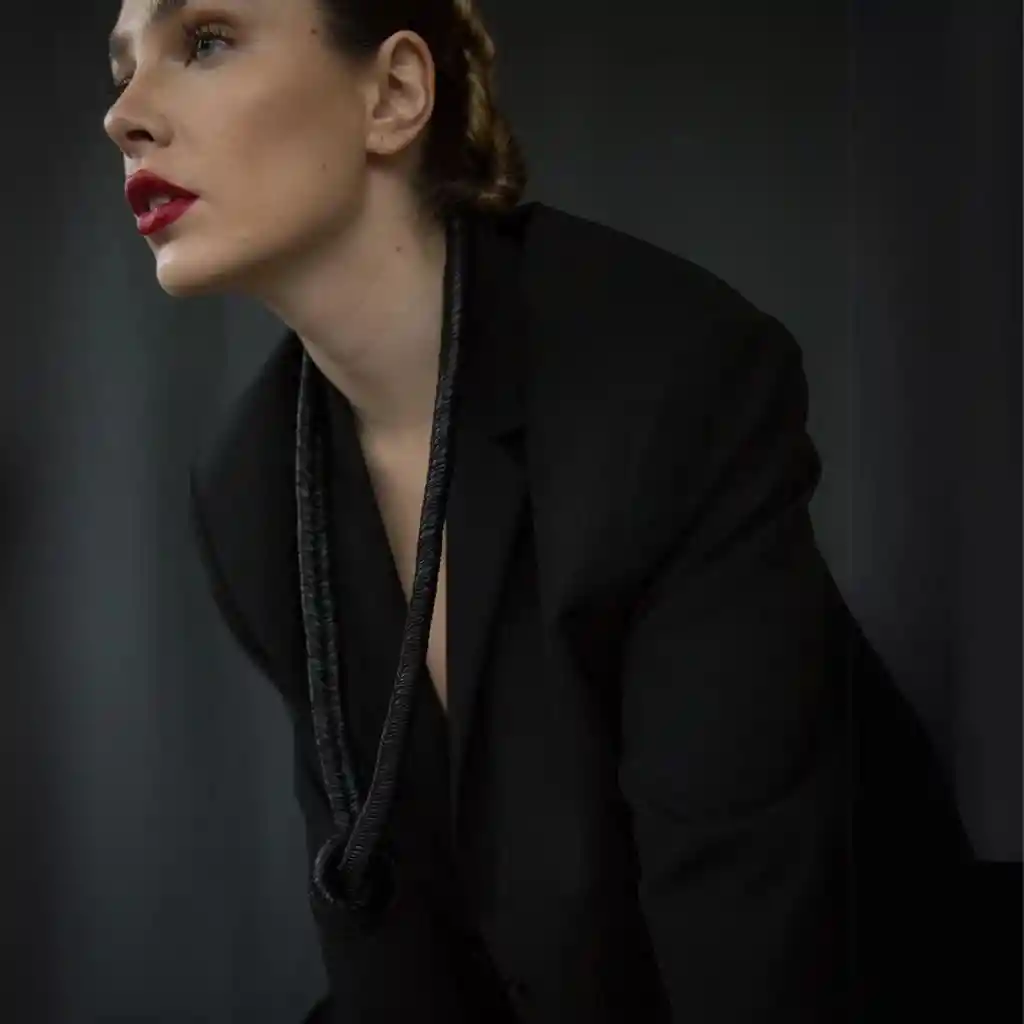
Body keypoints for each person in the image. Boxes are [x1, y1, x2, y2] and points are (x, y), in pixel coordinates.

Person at [104, 1, 973, 1021]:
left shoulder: (661, 378)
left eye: (204, 41)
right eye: (121, 69)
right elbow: (389, 946)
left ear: (393, 94)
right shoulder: (253, 487)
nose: (124, 115)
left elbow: (752, 942)